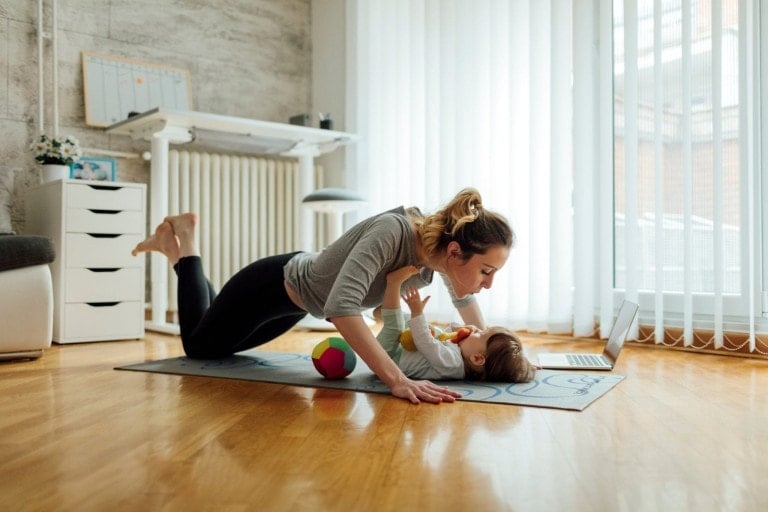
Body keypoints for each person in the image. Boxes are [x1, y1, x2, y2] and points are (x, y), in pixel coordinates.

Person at [131, 188, 514, 404]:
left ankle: (172, 245)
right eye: (486, 271)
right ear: (455, 253)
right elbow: (342, 309)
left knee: (219, 345)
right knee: (199, 347)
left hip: (297, 306)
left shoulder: (439, 253)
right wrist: (397, 380)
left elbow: (466, 306)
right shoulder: (393, 232)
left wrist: (501, 348)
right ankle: (184, 242)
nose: (488, 284)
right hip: (271, 284)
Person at [377, 265, 537, 382]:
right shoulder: (462, 355)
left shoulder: (452, 364)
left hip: (388, 359)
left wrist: (417, 312)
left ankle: (393, 283)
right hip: (400, 350)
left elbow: (426, 343)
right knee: (408, 321)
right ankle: (382, 312)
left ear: (477, 358)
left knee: (397, 325)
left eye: (480, 334)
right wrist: (460, 329)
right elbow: (445, 334)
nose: (476, 330)